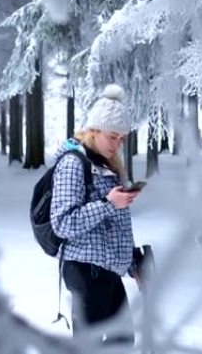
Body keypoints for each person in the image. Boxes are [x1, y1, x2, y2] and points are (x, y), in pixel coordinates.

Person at [50, 83, 139, 345]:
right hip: (84, 271)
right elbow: (62, 223)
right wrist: (108, 204)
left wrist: (132, 260)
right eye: (112, 136)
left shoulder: (106, 167)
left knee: (121, 343)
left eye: (121, 138)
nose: (117, 144)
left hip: (108, 270)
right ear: (93, 131)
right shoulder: (72, 164)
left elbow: (111, 226)